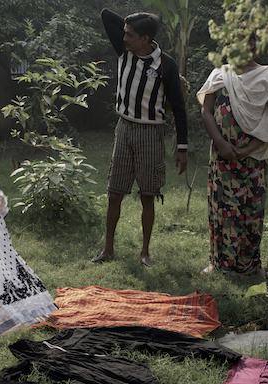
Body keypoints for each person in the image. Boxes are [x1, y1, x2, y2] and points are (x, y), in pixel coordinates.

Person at [91, 9, 188, 267]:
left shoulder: (166, 64)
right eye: (124, 33)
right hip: (124, 129)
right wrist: (136, 20)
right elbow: (105, 15)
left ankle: (144, 253)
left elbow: (179, 108)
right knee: (114, 193)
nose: (124, 38)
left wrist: (182, 148)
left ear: (145, 39)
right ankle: (107, 249)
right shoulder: (124, 52)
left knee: (148, 194)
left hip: (151, 132)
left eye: (130, 35)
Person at [197, 32, 268, 278]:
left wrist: (246, 150)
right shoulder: (220, 74)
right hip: (221, 158)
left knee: (251, 210)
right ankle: (220, 264)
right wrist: (221, 143)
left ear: (252, 44)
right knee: (222, 208)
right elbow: (207, 111)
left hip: (253, 160)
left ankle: (248, 266)